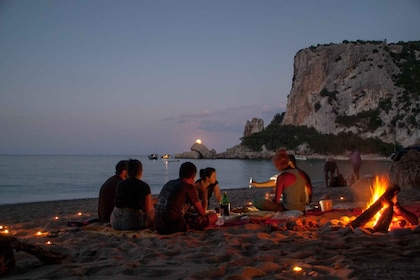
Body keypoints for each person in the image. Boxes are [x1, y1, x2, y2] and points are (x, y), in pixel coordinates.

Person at [154, 162, 218, 235]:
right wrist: (203, 192)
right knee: (214, 217)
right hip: (172, 227)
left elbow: (178, 208)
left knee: (191, 216)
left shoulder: (169, 183)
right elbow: (202, 213)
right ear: (193, 176)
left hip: (158, 225)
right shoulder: (189, 187)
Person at [110, 159, 155, 230]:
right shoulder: (144, 186)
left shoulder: (120, 184)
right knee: (153, 212)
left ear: (127, 172)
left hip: (115, 222)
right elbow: (148, 209)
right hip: (133, 224)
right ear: (140, 171)